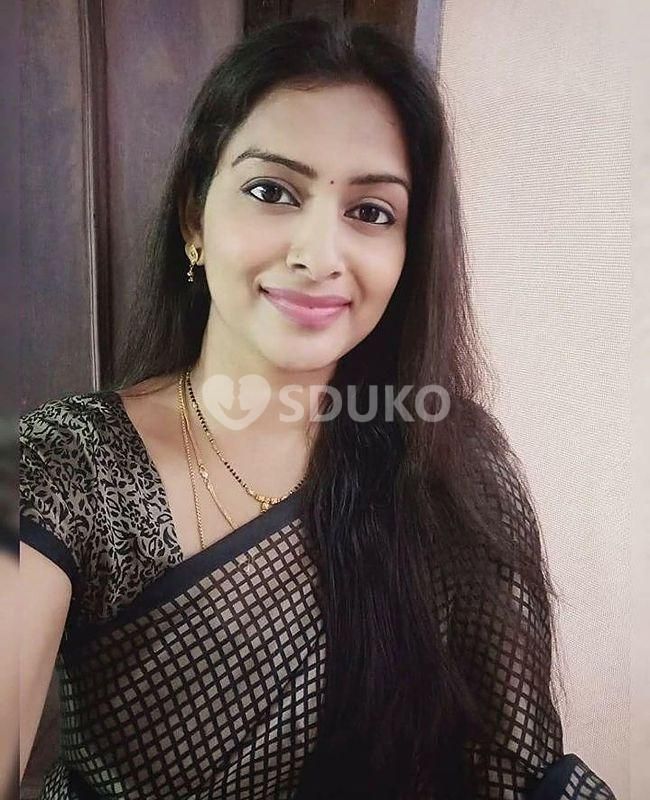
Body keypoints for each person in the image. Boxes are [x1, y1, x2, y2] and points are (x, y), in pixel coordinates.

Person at [19, 17, 617, 800]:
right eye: (272, 192)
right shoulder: (65, 465)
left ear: (407, 251)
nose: (318, 255)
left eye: (371, 212)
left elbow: (514, 768)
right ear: (195, 217)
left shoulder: (452, 460)